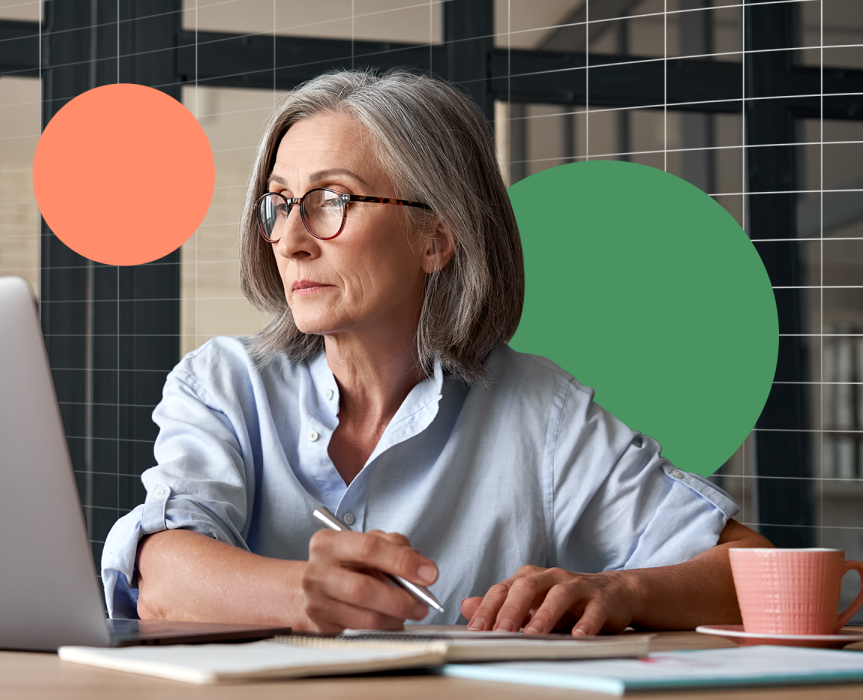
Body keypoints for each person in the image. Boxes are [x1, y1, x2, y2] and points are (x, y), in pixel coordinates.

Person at [101, 69, 772, 635]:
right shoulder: (223, 384)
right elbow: (159, 575)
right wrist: (304, 594)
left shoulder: (542, 413)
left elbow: (757, 574)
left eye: (330, 199)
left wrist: (622, 594)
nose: (292, 239)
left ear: (436, 238)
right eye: (278, 204)